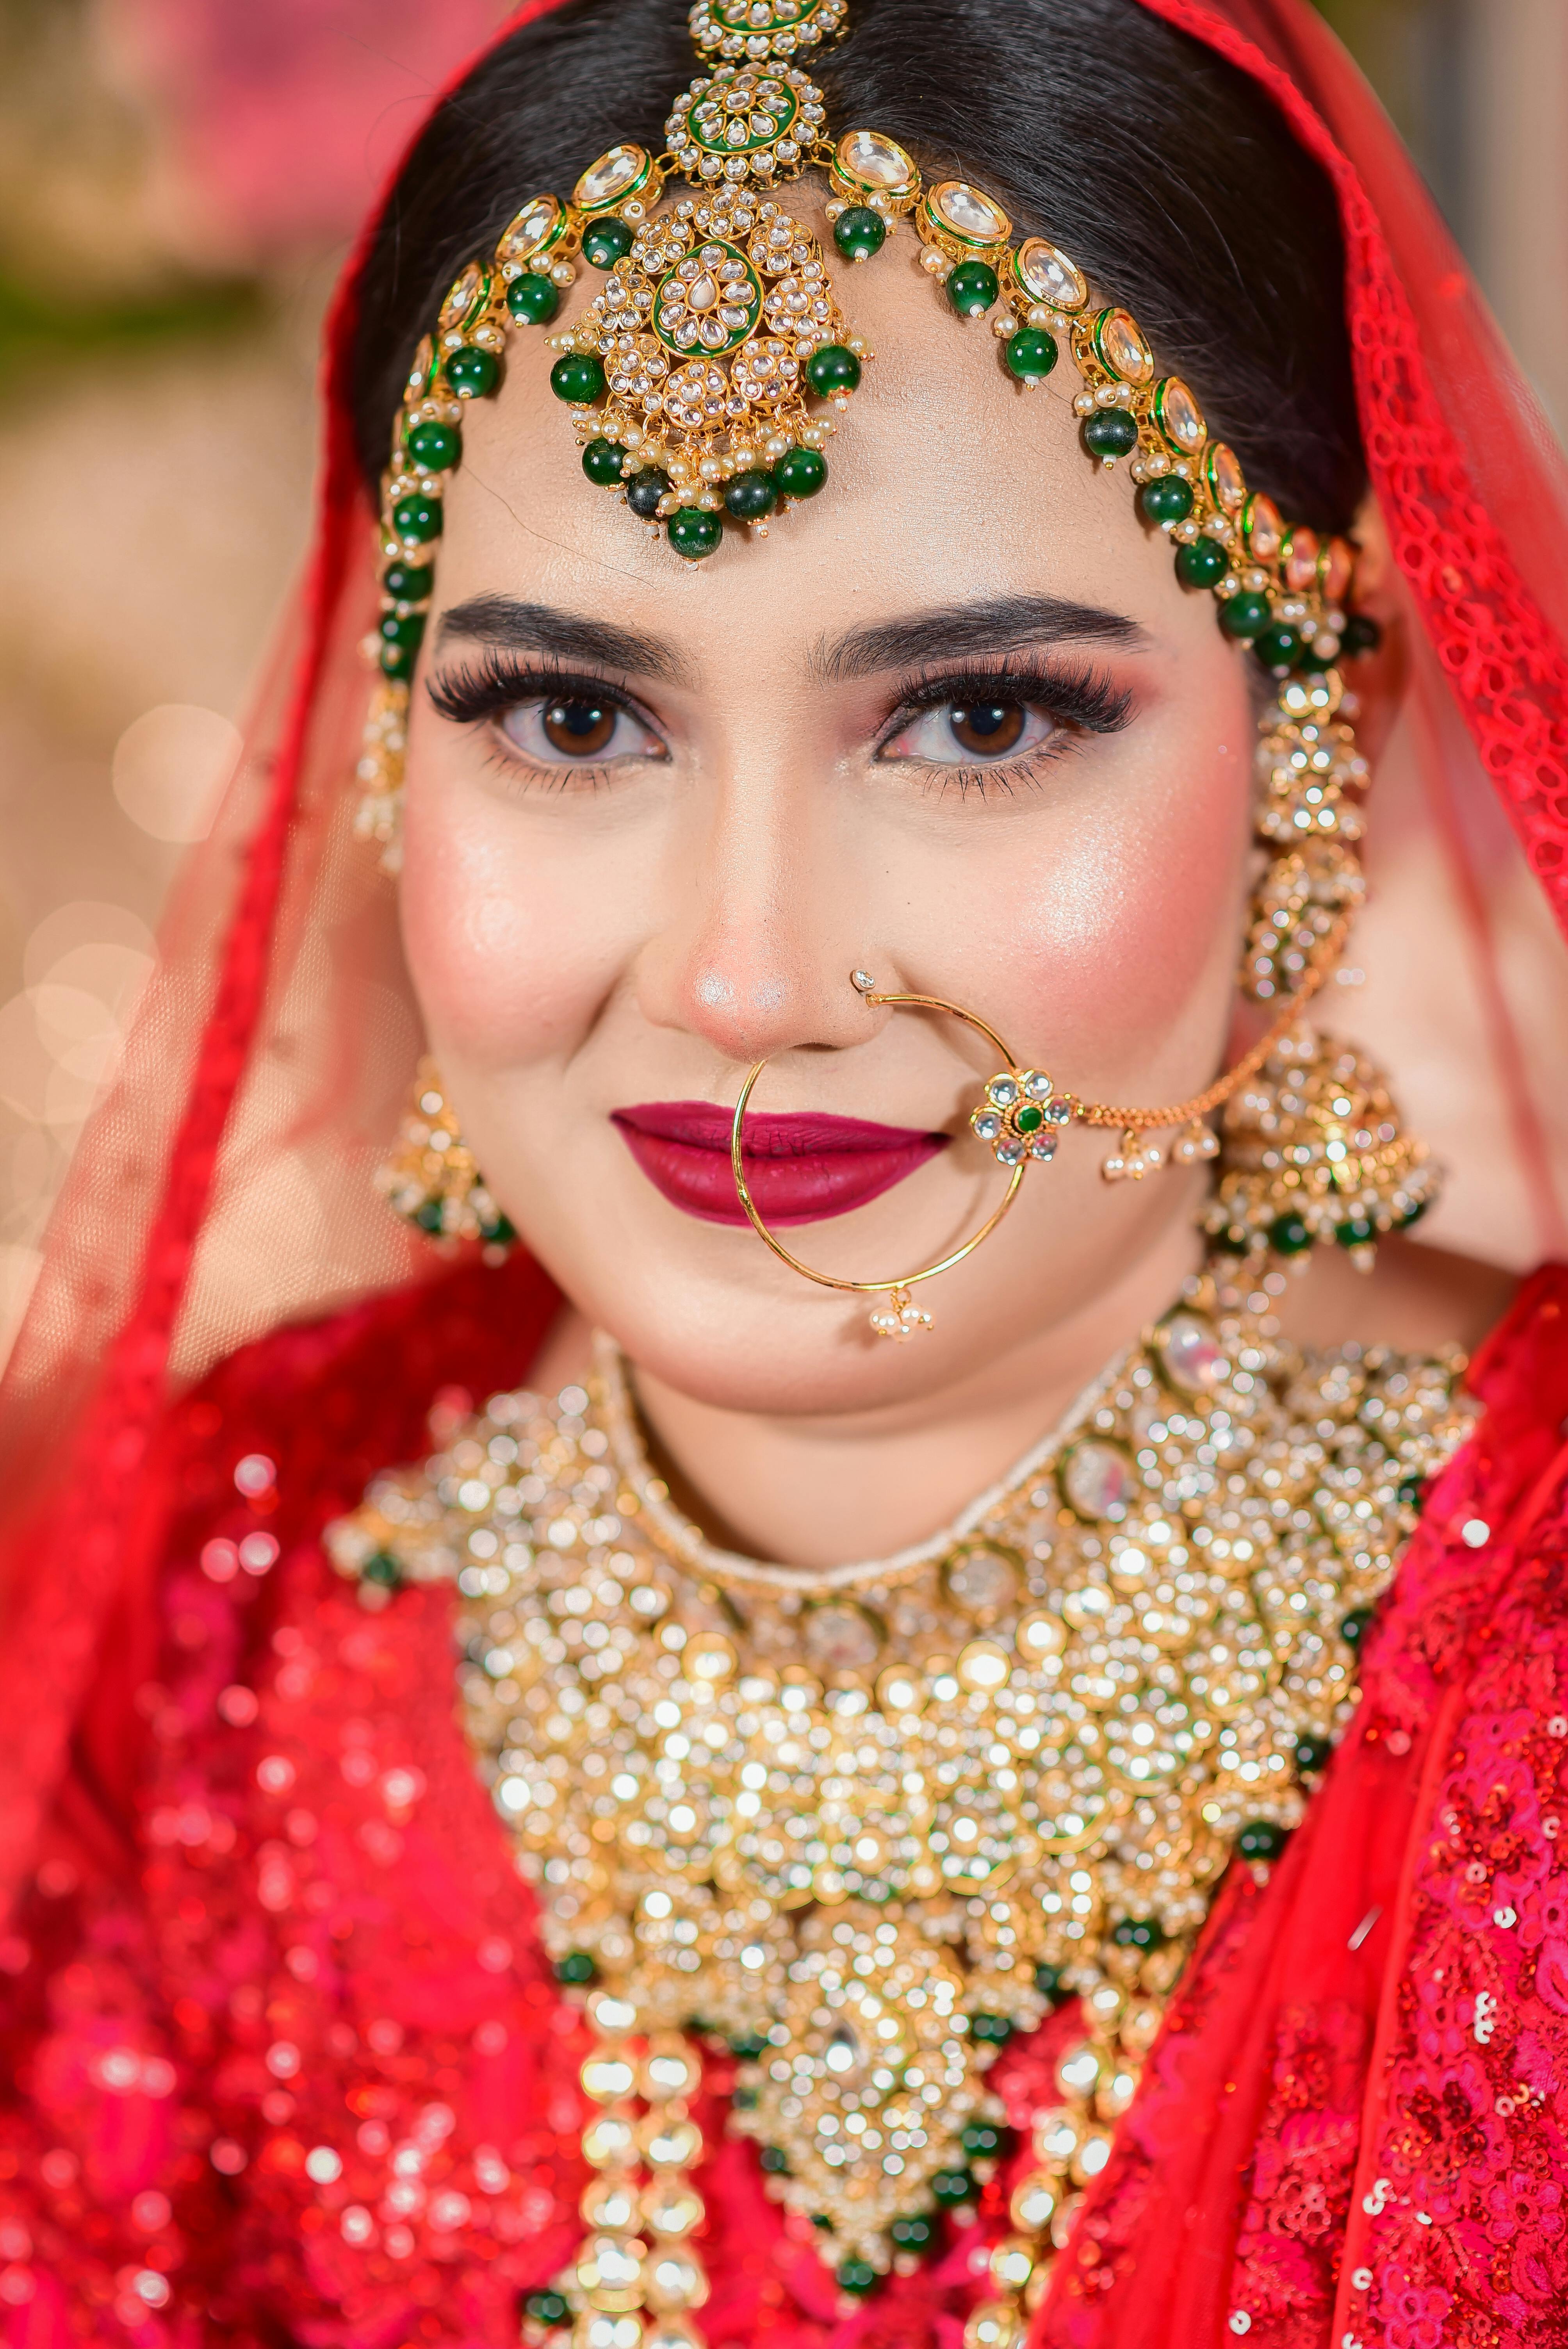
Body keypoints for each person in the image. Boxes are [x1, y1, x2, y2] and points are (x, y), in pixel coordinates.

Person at [2, 0, 1566, 2342]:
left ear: (1310, 746)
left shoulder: (1524, 1672)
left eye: (981, 719)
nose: (747, 981)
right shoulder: (241, 1595)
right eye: (570, 715)